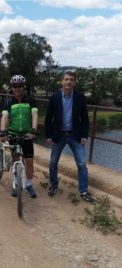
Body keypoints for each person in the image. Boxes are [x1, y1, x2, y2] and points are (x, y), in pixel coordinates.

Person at [44, 70, 96, 204]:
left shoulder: (80, 97)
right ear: (62, 81)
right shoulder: (54, 98)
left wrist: (85, 135)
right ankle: (54, 186)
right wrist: (48, 135)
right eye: (66, 79)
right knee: (53, 163)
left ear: (74, 82)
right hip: (58, 135)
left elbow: (85, 118)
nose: (68, 82)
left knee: (82, 164)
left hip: (75, 135)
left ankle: (84, 191)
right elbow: (48, 118)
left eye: (71, 80)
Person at [0, 75, 38, 198]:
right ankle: (16, 184)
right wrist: (3, 131)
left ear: (23, 87)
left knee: (29, 162)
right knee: (16, 160)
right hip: (13, 134)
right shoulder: (8, 101)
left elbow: (35, 115)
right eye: (15, 86)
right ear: (12, 88)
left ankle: (29, 184)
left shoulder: (30, 100)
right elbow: (5, 117)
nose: (17, 89)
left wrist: (33, 130)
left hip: (27, 135)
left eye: (20, 86)